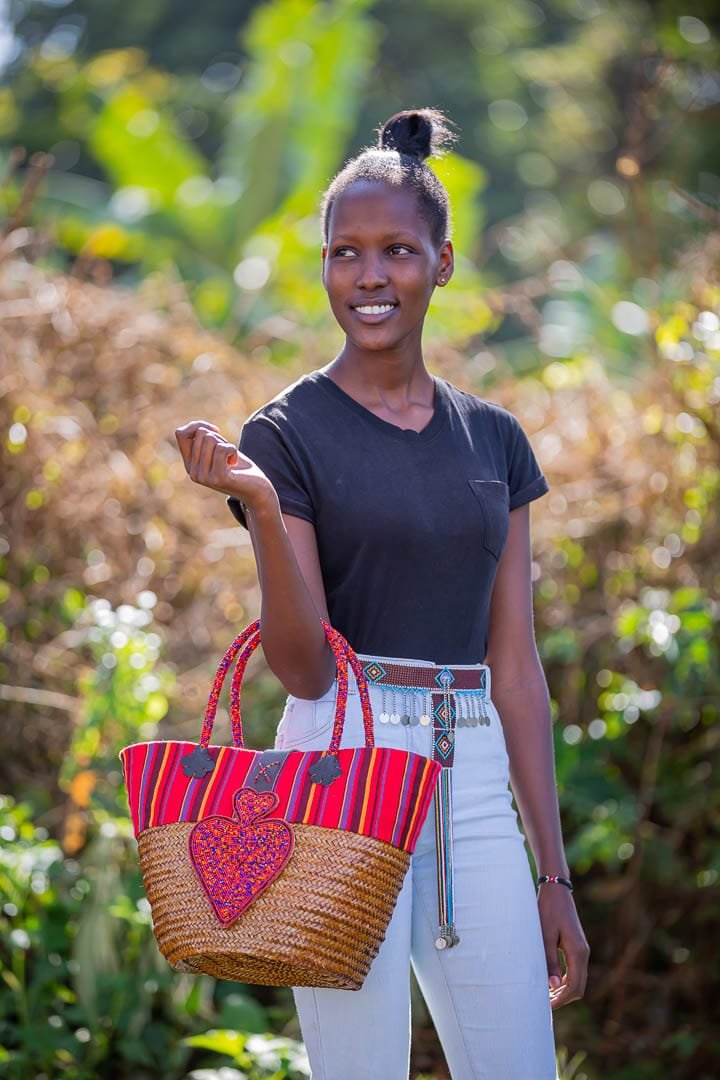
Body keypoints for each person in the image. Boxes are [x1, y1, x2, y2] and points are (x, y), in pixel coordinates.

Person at [175, 108, 589, 1080]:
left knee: (519, 1067)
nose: (369, 276)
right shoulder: (284, 434)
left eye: (397, 250)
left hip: (474, 773)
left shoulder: (496, 443)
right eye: (345, 252)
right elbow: (305, 668)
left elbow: (516, 667)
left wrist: (553, 873)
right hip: (340, 768)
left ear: (442, 262)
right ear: (324, 264)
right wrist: (266, 512)